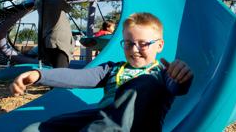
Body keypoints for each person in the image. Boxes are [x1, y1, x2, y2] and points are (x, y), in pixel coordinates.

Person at [11, 12, 193, 131]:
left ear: (159, 45)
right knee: (36, 129)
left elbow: (177, 88)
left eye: (143, 43)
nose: (134, 49)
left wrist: (180, 77)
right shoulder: (113, 68)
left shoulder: (162, 74)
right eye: (129, 43)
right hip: (101, 120)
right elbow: (78, 76)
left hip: (137, 126)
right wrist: (40, 75)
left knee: (145, 82)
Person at [36, 0, 75, 68]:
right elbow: (69, 8)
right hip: (59, 42)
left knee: (52, 68)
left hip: (47, 41)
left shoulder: (39, 3)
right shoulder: (57, 1)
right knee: (61, 72)